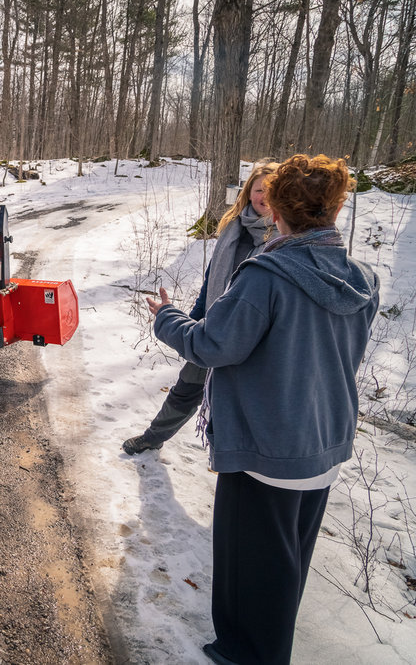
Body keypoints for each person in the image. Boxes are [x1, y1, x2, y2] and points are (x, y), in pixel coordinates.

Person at [146, 154, 379, 664]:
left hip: (266, 446)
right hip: (324, 442)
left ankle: (248, 655)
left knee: (254, 567)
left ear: (274, 210)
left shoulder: (266, 276)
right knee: (285, 562)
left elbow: (212, 345)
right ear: (335, 209)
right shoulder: (362, 278)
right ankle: (256, 647)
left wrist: (166, 318)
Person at [123, 160, 279, 455]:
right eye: (259, 190)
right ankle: (153, 437)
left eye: (272, 191)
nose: (264, 197)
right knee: (186, 390)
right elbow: (210, 284)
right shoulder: (233, 230)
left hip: (251, 341)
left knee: (238, 407)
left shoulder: (283, 240)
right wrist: (191, 324)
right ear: (248, 193)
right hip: (214, 330)